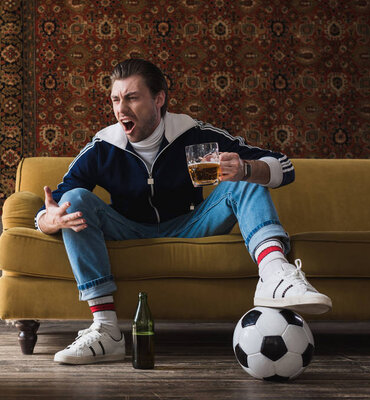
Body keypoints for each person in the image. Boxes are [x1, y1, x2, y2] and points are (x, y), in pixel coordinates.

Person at [35, 59, 332, 365]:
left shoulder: (194, 136)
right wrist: (49, 221)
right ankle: (106, 330)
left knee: (246, 179)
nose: (121, 108)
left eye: (132, 98)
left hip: (192, 224)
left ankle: (275, 275)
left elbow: (285, 167)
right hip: (128, 228)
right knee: (75, 199)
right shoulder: (103, 146)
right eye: (115, 99)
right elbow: (51, 204)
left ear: (159, 99)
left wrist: (244, 168)